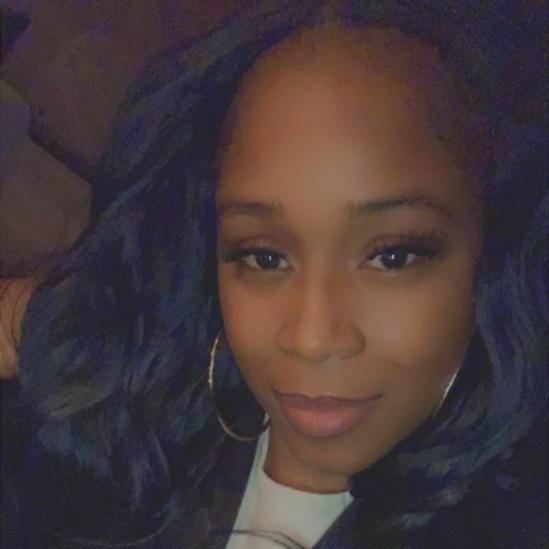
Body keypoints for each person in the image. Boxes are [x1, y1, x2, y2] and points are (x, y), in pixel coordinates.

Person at [3, 2, 546, 548]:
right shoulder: (135, 367)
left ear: (492, 249)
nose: (312, 337)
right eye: (264, 257)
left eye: (392, 257)